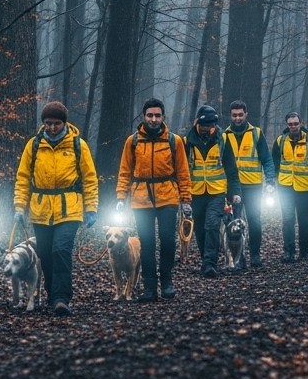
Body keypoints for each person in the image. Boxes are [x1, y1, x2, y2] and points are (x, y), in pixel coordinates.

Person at [12, 101, 99, 316]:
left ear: (64, 123)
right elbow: (23, 178)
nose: (52, 128)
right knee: (45, 253)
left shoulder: (78, 145)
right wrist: (19, 207)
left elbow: (89, 179)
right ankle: (52, 295)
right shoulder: (33, 145)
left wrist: (91, 208)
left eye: (56, 124)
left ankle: (61, 298)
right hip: (40, 210)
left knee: (61, 250)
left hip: (70, 208)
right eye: (48, 123)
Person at [116, 98, 192, 301]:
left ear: (163, 117)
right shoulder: (132, 142)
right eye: (150, 115)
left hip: (168, 196)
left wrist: (185, 199)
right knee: (146, 243)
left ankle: (167, 281)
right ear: (144, 116)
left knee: (168, 241)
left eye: (157, 115)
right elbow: (125, 172)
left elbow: (183, 172)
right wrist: (121, 197)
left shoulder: (174, 141)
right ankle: (150, 287)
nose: (153, 119)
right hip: (141, 198)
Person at [184, 105, 241, 277]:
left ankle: (210, 263)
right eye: (204, 126)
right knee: (200, 229)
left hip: (217, 191)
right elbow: (182, 168)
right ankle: (205, 259)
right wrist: (183, 194)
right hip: (196, 192)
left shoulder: (222, 139)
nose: (208, 130)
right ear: (196, 124)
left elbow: (231, 168)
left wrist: (235, 192)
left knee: (212, 225)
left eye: (211, 126)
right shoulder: (187, 141)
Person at [223, 100, 275, 267]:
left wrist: (270, 181)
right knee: (234, 223)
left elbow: (267, 159)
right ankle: (237, 258)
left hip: (253, 185)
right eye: (234, 115)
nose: (237, 118)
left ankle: (255, 255)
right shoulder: (224, 135)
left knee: (254, 220)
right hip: (233, 187)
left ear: (246, 114)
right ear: (230, 116)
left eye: (240, 115)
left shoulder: (256, 133)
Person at [271, 112, 308, 263]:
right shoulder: (280, 141)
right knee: (287, 218)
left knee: (303, 220)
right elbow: (274, 163)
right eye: (290, 124)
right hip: (285, 186)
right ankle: (288, 252)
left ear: (301, 123)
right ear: (287, 125)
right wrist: (270, 183)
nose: (293, 126)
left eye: (295, 124)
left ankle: (304, 251)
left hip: (305, 187)